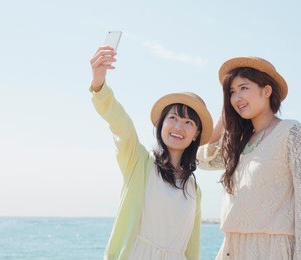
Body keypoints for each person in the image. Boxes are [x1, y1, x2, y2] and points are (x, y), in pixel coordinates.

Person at [89, 45, 213, 260]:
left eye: (188, 122)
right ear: (162, 123)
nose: (178, 127)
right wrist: (100, 85)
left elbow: (192, 247)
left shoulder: (194, 187)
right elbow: (122, 126)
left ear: (196, 134)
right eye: (172, 118)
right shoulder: (139, 162)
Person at [197, 57, 301, 259]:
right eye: (231, 92)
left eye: (243, 88)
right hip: (232, 249)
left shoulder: (292, 133)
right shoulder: (238, 141)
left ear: (266, 91)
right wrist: (222, 120)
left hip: (271, 249)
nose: (236, 97)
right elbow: (202, 159)